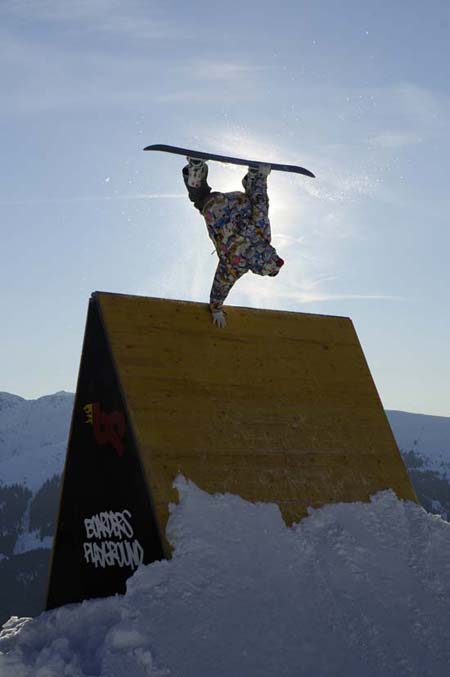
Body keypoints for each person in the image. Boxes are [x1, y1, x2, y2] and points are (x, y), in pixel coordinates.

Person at [182, 158, 284, 328]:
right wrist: (216, 309)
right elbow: (221, 286)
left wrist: (260, 178)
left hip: (236, 202)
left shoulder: (263, 236)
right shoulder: (235, 267)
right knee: (201, 198)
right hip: (213, 208)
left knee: (256, 204)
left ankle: (252, 176)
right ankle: (195, 172)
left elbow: (261, 206)